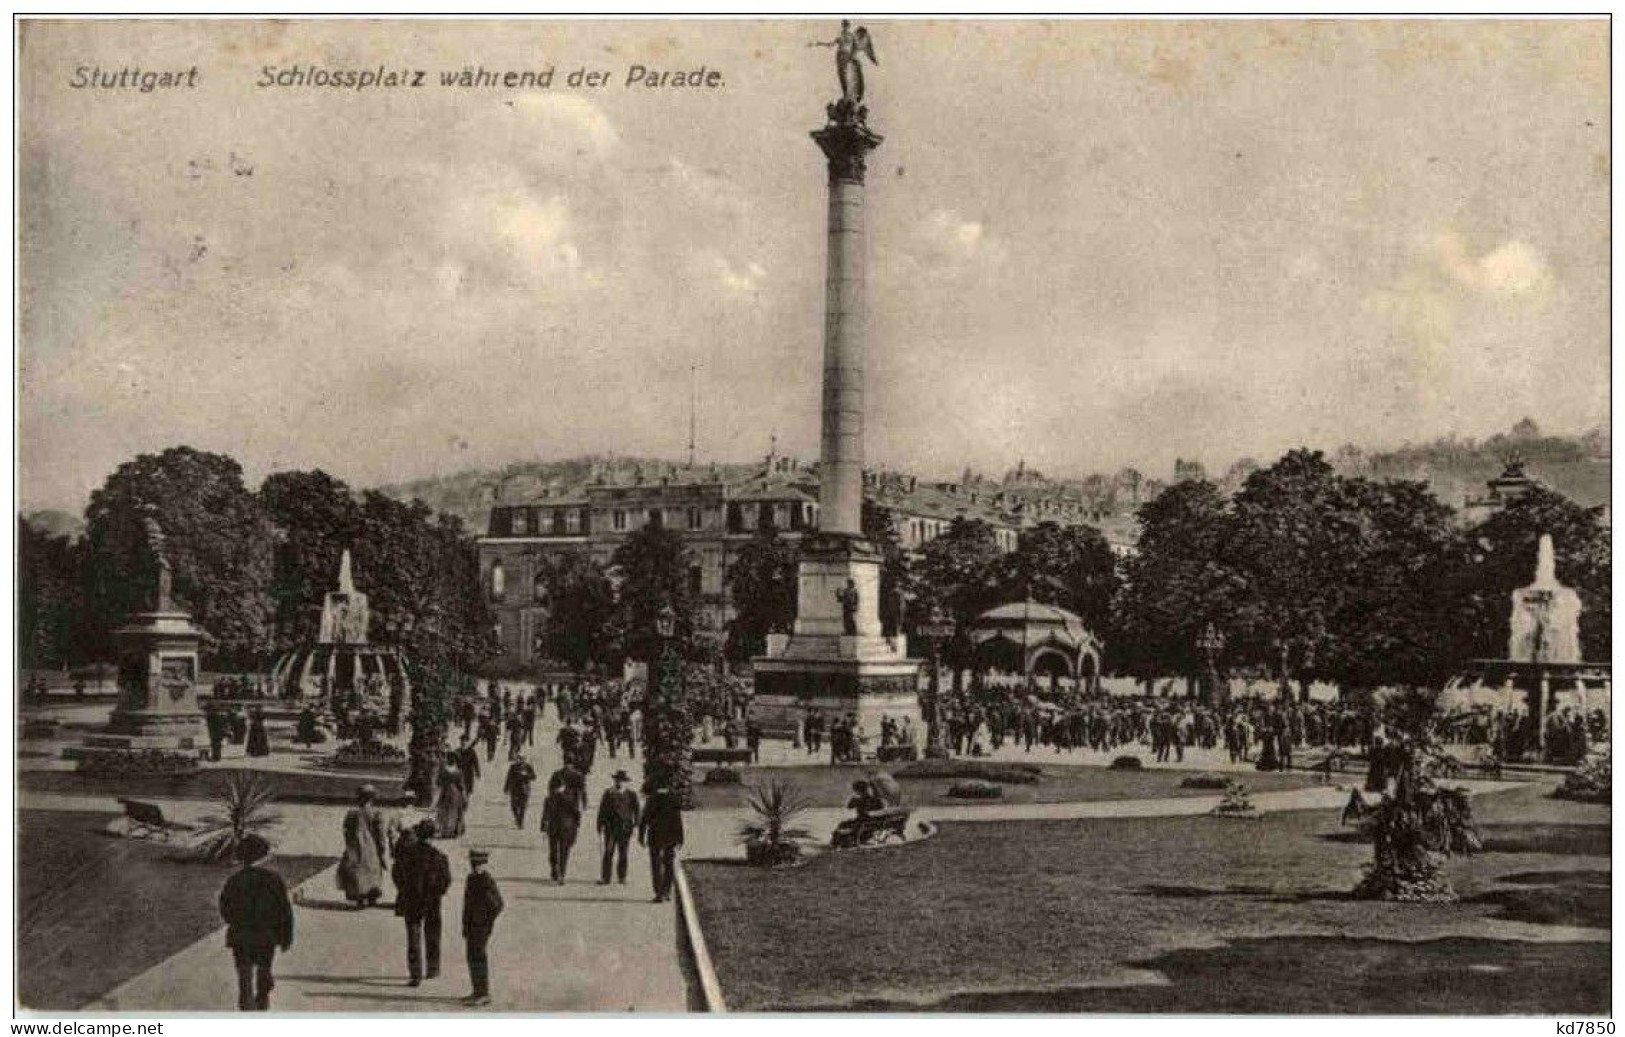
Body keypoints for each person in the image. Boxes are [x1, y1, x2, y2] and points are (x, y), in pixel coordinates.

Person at [217, 834, 294, 1011]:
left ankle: (248, 1012)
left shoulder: (235, 880)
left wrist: (235, 923)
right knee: (264, 970)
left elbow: (225, 907)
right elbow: (284, 911)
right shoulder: (273, 880)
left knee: (244, 980)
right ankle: (263, 999)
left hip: (241, 936)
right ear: (264, 856)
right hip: (266, 937)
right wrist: (285, 937)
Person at [392, 819, 451, 987]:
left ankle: (415, 973)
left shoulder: (407, 855)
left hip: (412, 901)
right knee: (432, 934)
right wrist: (438, 892)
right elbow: (446, 880)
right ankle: (433, 968)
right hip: (432, 901)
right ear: (433, 837)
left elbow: (397, 874)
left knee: (413, 937)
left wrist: (404, 890)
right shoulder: (439, 857)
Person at [461, 849, 504, 1006]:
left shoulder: (486, 881)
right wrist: (465, 924)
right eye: (473, 864)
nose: (475, 867)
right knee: (472, 957)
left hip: (480, 928)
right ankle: (476, 991)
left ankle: (483, 993)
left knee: (478, 958)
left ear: (484, 864)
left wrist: (486, 921)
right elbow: (466, 905)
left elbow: (498, 904)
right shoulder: (471, 878)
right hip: (471, 925)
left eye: (478, 864)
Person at [337, 784, 390, 908]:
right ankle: (372, 897)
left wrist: (349, 846)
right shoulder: (377, 814)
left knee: (357, 871)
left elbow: (346, 832)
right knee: (373, 871)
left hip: (355, 847)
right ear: (373, 798)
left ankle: (359, 898)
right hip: (371, 847)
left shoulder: (351, 814)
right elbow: (381, 834)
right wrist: (382, 850)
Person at [638, 779, 685, 903]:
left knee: (656, 865)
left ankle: (659, 892)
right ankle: (666, 891)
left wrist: (641, 835)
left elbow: (644, 819)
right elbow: (678, 819)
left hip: (655, 836)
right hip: (670, 836)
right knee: (668, 864)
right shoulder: (673, 798)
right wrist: (680, 838)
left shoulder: (652, 799)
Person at [596, 769, 640, 885]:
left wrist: (636, 826)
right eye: (617, 780)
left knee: (623, 853)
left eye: (622, 781)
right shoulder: (608, 793)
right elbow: (602, 811)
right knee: (608, 852)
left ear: (625, 782)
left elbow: (637, 811)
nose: (619, 783)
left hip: (625, 828)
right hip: (610, 828)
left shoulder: (631, 795)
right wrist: (599, 825)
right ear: (614, 781)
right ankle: (606, 877)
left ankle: (622, 877)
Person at [540, 774, 582, 883]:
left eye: (560, 787)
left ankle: (561, 874)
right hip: (554, 829)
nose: (558, 789)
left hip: (566, 829)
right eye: (556, 787)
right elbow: (545, 814)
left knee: (564, 852)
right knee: (553, 852)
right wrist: (543, 827)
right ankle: (554, 871)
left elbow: (576, 812)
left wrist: (576, 826)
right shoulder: (549, 799)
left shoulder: (570, 797)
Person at [502, 754, 537, 829]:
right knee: (514, 806)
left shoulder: (528, 766)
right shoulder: (513, 767)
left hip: (525, 790)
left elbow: (534, 777)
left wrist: (526, 775)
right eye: (518, 758)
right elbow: (508, 777)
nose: (520, 760)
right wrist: (506, 788)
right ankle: (517, 819)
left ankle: (520, 822)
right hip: (514, 789)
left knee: (523, 807)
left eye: (522, 758)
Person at [435, 762, 468, 838]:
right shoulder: (458, 772)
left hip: (445, 793)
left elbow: (438, 783)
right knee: (455, 812)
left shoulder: (443, 772)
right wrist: (464, 796)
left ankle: (445, 831)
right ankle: (454, 831)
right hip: (456, 793)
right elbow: (461, 786)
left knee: (444, 812)